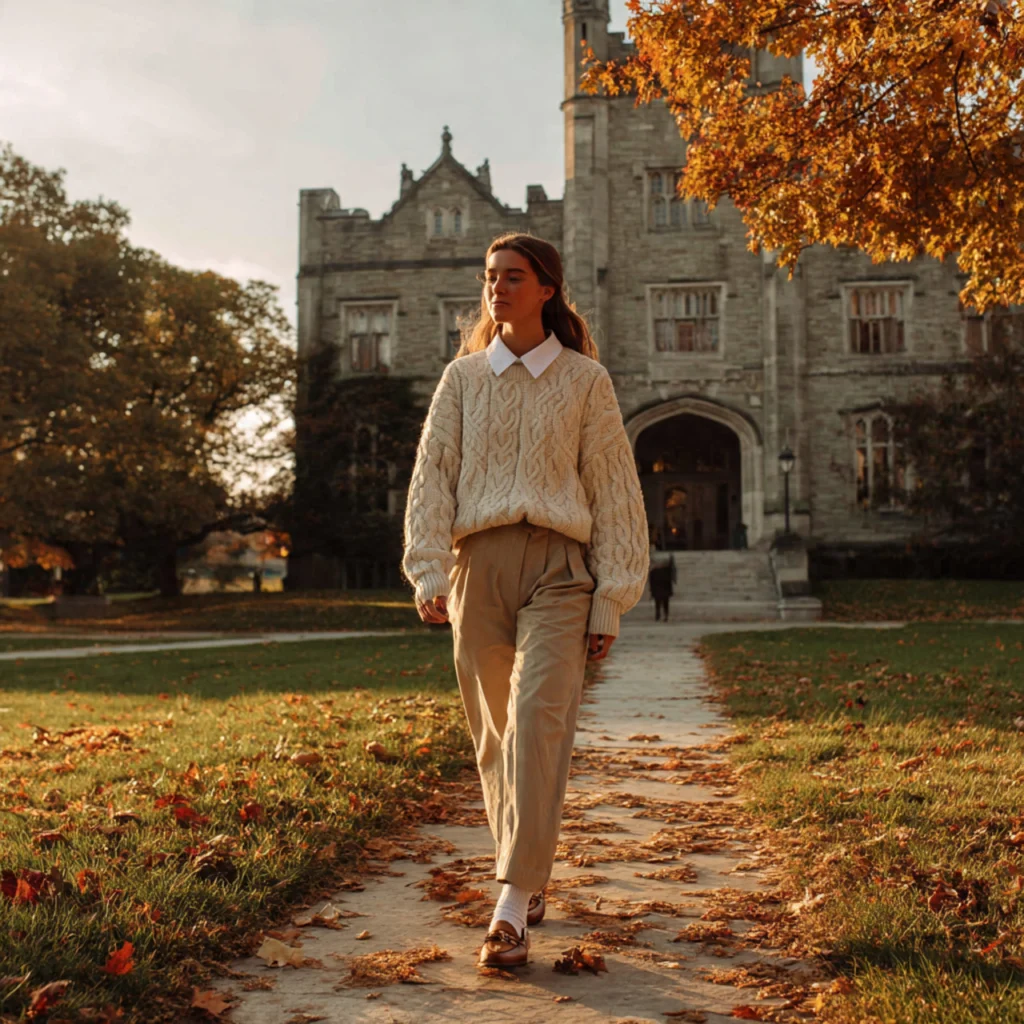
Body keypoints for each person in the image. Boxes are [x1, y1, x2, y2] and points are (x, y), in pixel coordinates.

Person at [402, 232, 649, 969]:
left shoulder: (585, 382)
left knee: (540, 722)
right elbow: (433, 475)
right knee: (497, 739)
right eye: (490, 278)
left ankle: (510, 904)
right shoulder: (462, 379)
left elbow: (614, 490)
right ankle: (530, 869)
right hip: (477, 565)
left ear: (548, 288)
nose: (497, 289)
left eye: (513, 277)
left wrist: (611, 596)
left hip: (559, 570)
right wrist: (426, 570)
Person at [648, 526, 677, 621]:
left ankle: (664, 614)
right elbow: (652, 561)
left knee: (664, 598)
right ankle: (658, 613)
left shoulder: (660, 546)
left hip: (664, 575)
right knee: (658, 597)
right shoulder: (651, 547)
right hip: (657, 574)